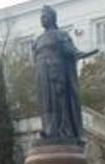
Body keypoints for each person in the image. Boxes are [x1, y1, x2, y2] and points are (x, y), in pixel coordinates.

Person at [33, 5, 97, 143]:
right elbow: (35, 58)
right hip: (42, 76)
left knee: (58, 103)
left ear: (52, 18)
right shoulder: (38, 40)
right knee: (46, 104)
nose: (42, 19)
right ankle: (48, 130)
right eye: (41, 17)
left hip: (56, 73)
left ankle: (61, 130)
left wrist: (83, 54)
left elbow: (71, 51)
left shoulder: (61, 35)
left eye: (45, 16)